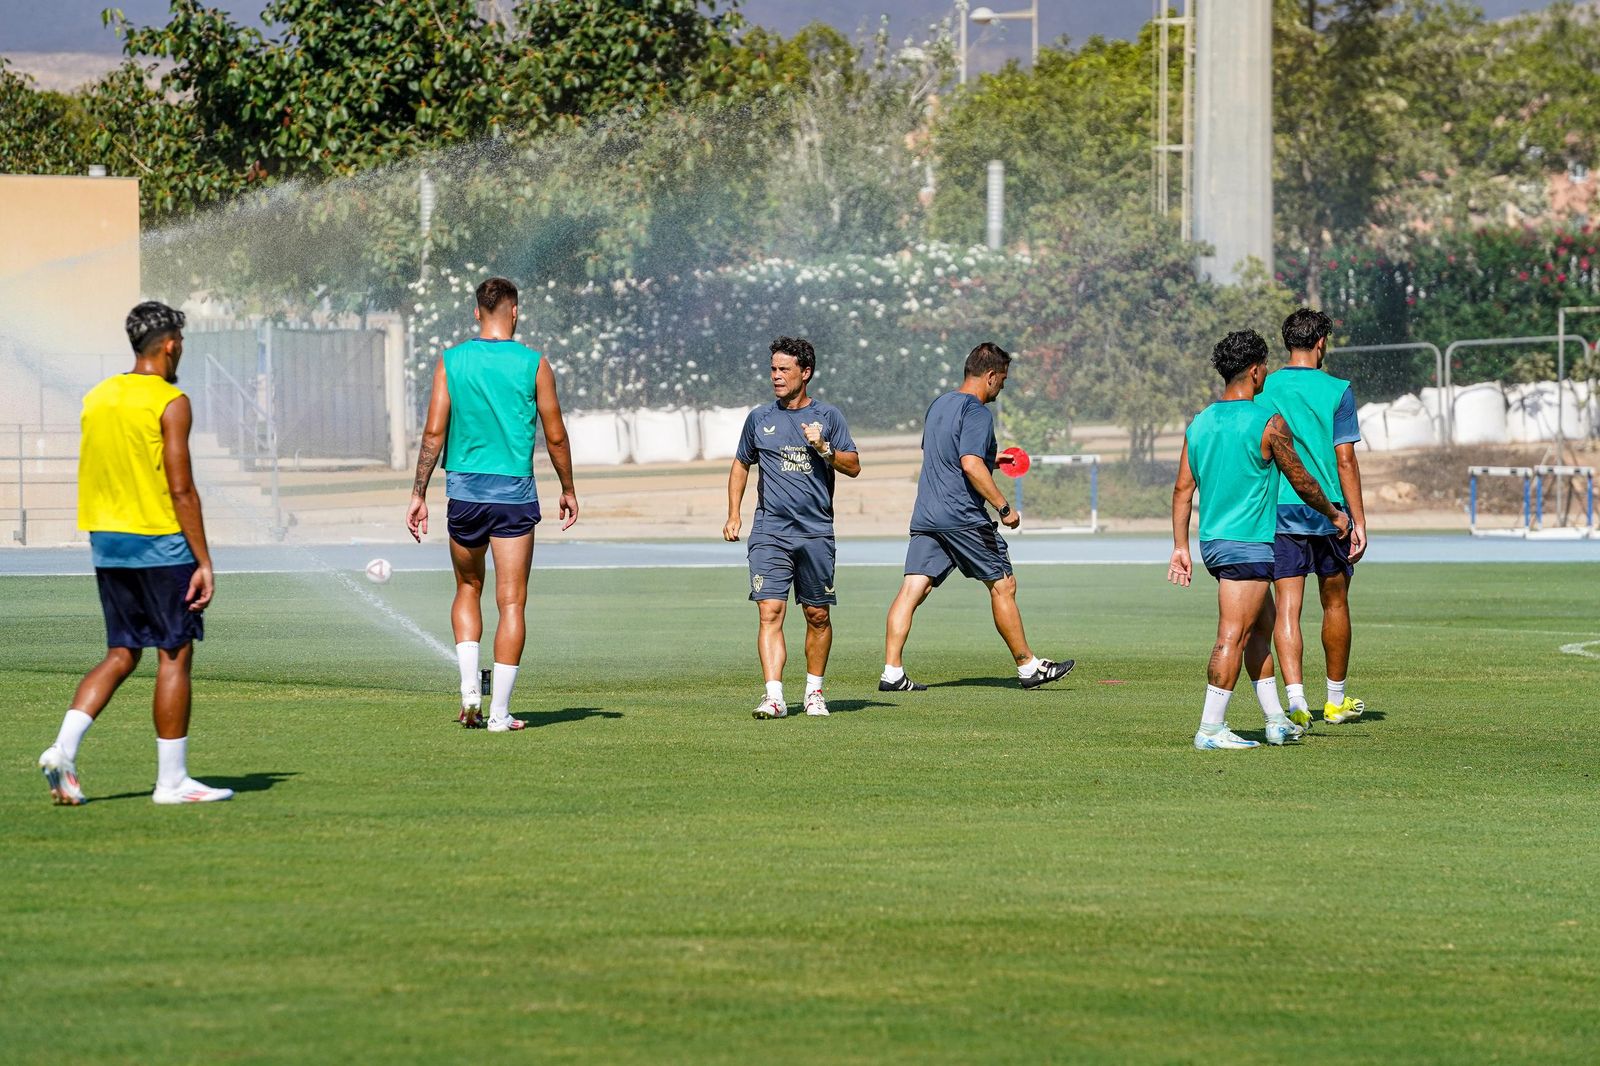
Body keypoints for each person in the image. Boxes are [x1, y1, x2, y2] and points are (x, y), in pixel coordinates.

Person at [37, 301, 232, 805]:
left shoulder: (98, 396)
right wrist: (204, 561)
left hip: (108, 544)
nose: (181, 350)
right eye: (180, 343)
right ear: (169, 345)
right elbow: (182, 489)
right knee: (174, 653)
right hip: (160, 543)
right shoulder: (171, 400)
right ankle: (172, 782)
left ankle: (62, 749)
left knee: (122, 653)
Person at [406, 277, 578, 732]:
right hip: (514, 496)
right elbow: (556, 436)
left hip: (464, 493)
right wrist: (568, 488)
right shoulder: (535, 364)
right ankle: (499, 713)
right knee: (512, 602)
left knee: (468, 588)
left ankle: (469, 693)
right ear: (515, 312)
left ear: (477, 312)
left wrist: (419, 493)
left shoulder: (451, 361)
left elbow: (433, 433)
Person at [1169, 329, 1350, 750]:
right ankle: (1210, 728)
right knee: (1232, 634)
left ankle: (1275, 719)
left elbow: (1182, 489)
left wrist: (1180, 546)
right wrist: (1333, 513)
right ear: (1254, 371)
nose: (1267, 372)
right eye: (1265, 366)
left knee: (1261, 627)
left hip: (1215, 543)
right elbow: (1301, 480)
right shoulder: (1267, 423)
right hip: (1247, 543)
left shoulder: (1199, 423)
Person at [881, 342, 1073, 692]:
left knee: (912, 589)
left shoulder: (939, 404)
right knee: (1003, 584)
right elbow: (969, 464)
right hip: (962, 516)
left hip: (927, 514)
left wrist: (991, 460)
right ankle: (1028, 666)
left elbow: (945, 454)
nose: (1002, 387)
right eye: (1003, 380)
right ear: (990, 376)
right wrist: (1004, 507)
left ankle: (892, 672)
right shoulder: (978, 412)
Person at [724, 337, 860, 719]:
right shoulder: (759, 418)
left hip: (815, 532)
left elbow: (853, 466)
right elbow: (740, 464)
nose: (776, 376)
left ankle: (814, 693)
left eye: (784, 369)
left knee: (817, 615)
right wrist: (733, 513)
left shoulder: (828, 416)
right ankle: (774, 697)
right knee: (770, 610)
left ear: (806, 372)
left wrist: (825, 448)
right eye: (773, 369)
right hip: (770, 531)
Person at [1256, 308, 1368, 729]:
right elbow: (1346, 460)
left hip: (1281, 509)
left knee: (1288, 606)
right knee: (1335, 602)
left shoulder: (1265, 386)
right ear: (1321, 342)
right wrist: (1358, 520)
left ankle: (1297, 702)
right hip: (1330, 511)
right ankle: (1335, 702)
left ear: (1288, 342)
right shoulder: (1339, 390)